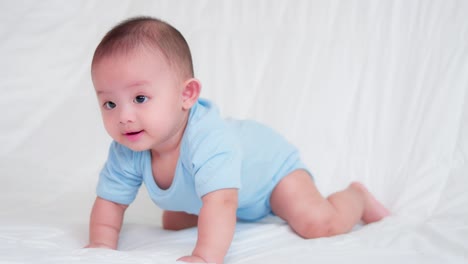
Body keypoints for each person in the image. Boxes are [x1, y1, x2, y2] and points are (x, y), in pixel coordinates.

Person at [86, 16, 390, 264]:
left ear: (186, 95)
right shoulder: (127, 149)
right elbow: (110, 202)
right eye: (109, 104)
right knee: (172, 224)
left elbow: (222, 201)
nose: (123, 116)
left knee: (318, 224)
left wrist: (205, 257)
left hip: (270, 177)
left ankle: (356, 197)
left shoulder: (207, 139)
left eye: (140, 97)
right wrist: (100, 247)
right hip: (222, 196)